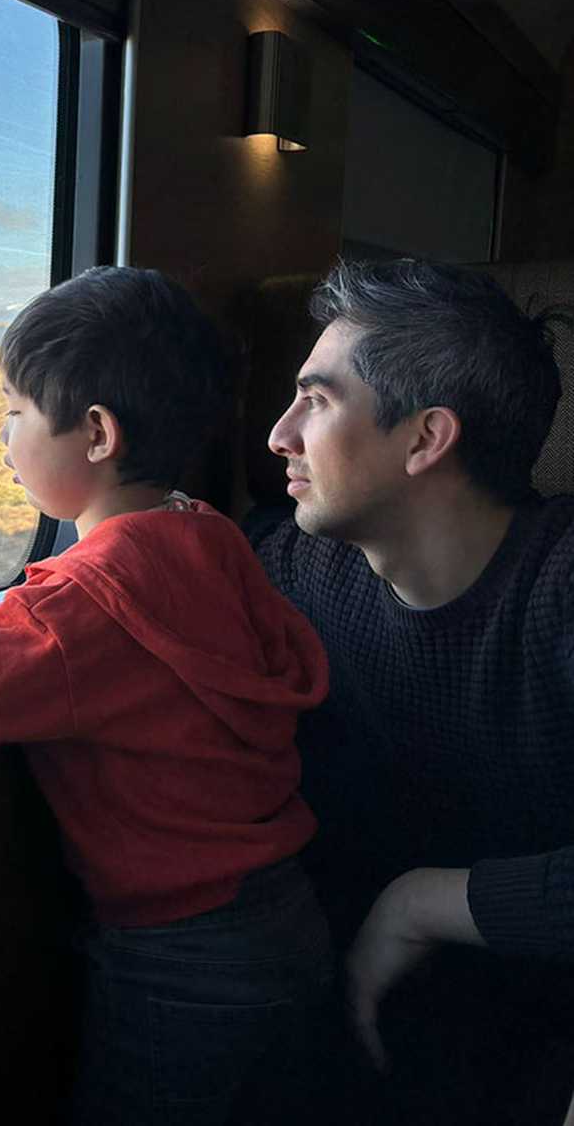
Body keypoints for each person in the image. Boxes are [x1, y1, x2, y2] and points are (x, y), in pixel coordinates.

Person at [0, 266, 334, 1126]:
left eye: (16, 411)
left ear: (94, 433)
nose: (3, 436)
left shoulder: (79, 605)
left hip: (179, 958)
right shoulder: (213, 537)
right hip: (288, 915)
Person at [248, 258, 574, 1123]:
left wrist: (421, 902)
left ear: (425, 439)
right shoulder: (296, 569)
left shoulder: (562, 586)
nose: (278, 435)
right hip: (387, 1020)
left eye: (315, 402)